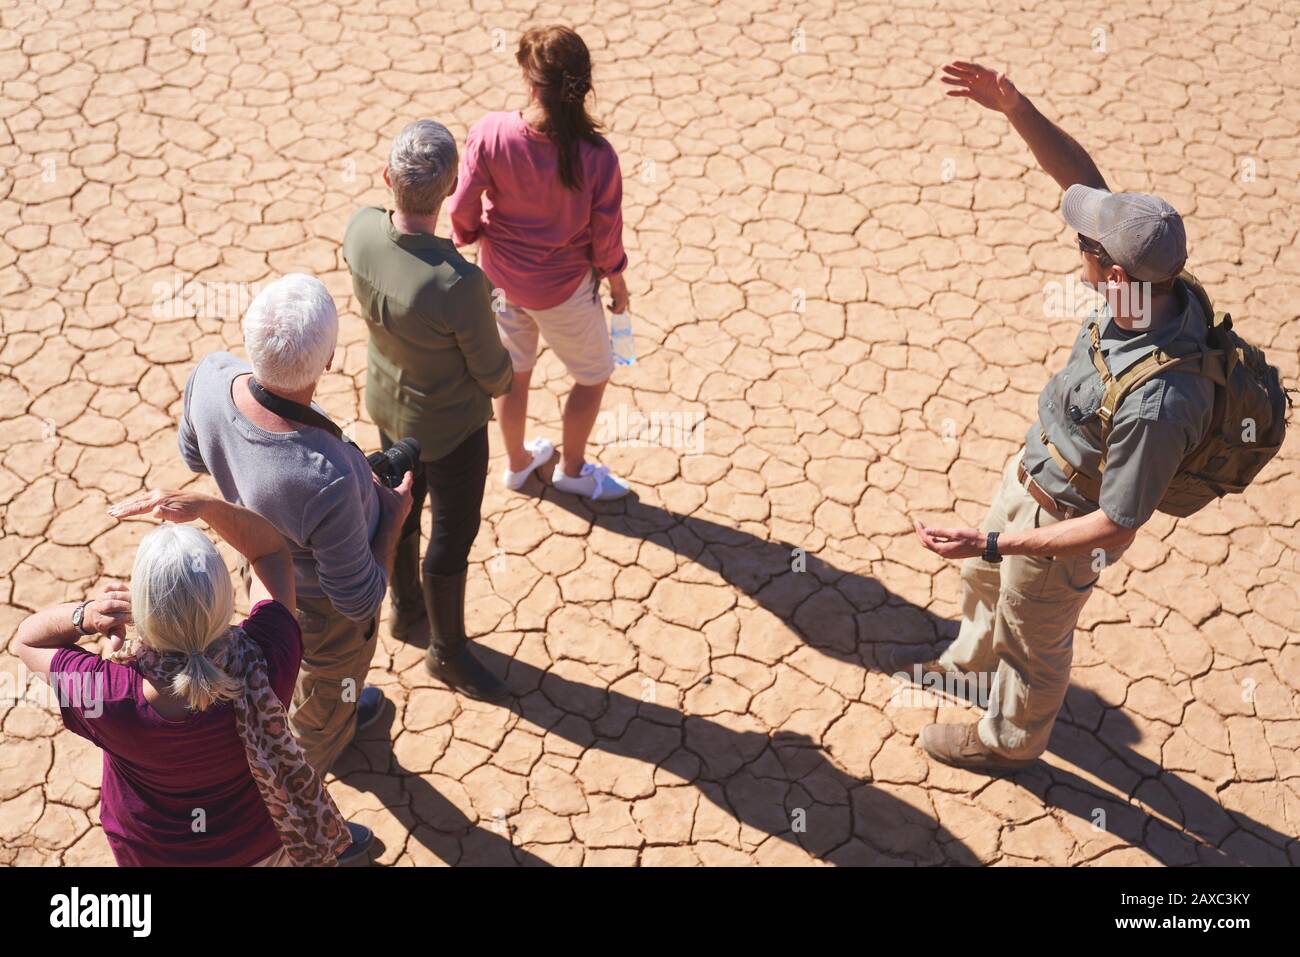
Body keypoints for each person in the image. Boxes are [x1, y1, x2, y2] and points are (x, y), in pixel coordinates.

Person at [895, 61, 1217, 772]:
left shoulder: (1161, 399)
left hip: (1064, 530)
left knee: (1034, 639)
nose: (1078, 238)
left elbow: (1116, 522)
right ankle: (972, 660)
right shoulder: (1151, 284)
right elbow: (1081, 180)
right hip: (1035, 471)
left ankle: (1008, 741)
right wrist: (1016, 107)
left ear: (1114, 272)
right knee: (982, 588)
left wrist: (998, 542)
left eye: (1086, 243)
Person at [14, 489, 367, 866]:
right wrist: (208, 507)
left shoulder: (109, 696)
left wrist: (87, 614)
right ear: (224, 598)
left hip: (156, 855)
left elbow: (27, 640)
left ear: (140, 608)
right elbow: (270, 553)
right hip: (261, 844)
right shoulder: (268, 656)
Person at [177, 273, 413, 775]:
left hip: (258, 568)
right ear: (328, 360)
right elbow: (358, 600)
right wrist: (390, 520)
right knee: (312, 715)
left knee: (306, 682)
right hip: (320, 615)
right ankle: (308, 817)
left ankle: (339, 708)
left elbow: (193, 455)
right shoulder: (325, 475)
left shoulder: (210, 377)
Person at [343, 120, 515, 701]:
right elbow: (494, 374)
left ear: (389, 177)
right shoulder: (458, 283)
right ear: (449, 190)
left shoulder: (360, 231)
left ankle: (405, 607)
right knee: (453, 533)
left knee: (402, 507)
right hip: (451, 431)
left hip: (386, 407)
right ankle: (448, 652)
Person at [448, 24, 632, 502]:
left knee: (513, 374)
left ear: (531, 84)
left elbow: (462, 207)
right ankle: (572, 470)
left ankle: (516, 464)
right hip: (564, 290)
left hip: (501, 281)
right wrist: (617, 282)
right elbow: (605, 235)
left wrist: (470, 236)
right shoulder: (598, 157)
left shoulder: (491, 134)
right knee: (593, 376)